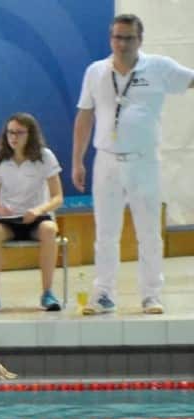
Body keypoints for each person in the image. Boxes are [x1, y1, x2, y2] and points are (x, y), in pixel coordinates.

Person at [71, 13, 194, 316]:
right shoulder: (96, 71)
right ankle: (103, 294)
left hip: (144, 161)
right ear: (110, 38)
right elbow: (84, 116)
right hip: (106, 162)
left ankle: (151, 294)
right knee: (106, 232)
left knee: (149, 230)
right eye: (116, 37)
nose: (121, 43)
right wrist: (77, 160)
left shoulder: (159, 67)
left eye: (128, 38)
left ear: (140, 39)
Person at [0, 113, 64, 314]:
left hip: (37, 218)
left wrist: (38, 210)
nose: (13, 137)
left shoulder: (45, 157)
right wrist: (0, 210)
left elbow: (58, 197)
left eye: (19, 132)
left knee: (49, 229)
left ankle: (48, 293)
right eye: (10, 132)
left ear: (30, 134)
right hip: (10, 220)